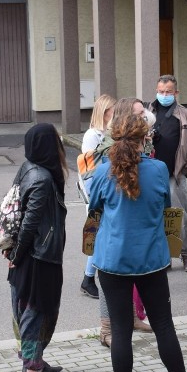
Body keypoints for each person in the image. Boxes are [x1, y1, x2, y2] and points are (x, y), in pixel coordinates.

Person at [90, 112, 187, 372]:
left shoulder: (103, 171)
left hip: (112, 260)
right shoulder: (158, 170)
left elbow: (94, 209)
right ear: (146, 138)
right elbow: (164, 207)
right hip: (151, 260)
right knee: (164, 326)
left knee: (120, 331)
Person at [86, 97, 155, 348]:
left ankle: (135, 317)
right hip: (114, 223)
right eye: (139, 113)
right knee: (111, 275)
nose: (144, 116)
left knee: (133, 274)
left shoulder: (143, 144)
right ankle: (106, 328)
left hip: (136, 221)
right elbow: (100, 191)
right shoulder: (108, 148)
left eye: (144, 113)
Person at [7, 123, 69, 372]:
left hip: (31, 254)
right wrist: (17, 256)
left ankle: (35, 358)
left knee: (29, 308)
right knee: (36, 310)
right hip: (39, 256)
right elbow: (30, 222)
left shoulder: (28, 168)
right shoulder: (42, 178)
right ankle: (33, 369)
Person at [148, 75, 187, 272]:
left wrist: (185, 170)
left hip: (174, 174)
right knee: (156, 216)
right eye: (161, 91)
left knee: (181, 216)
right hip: (150, 175)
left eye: (168, 92)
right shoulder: (147, 112)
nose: (164, 95)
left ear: (176, 93)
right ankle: (165, 256)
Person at [79, 93, 116, 299]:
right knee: (98, 237)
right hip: (96, 193)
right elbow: (88, 168)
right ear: (104, 111)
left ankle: (90, 277)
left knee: (101, 236)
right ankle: (88, 278)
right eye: (112, 110)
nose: (115, 113)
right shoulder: (92, 135)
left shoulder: (108, 133)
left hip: (106, 190)